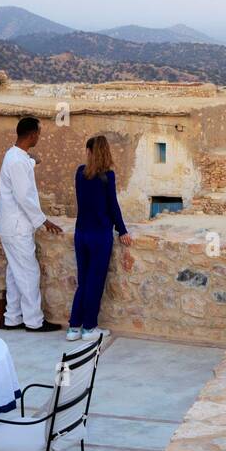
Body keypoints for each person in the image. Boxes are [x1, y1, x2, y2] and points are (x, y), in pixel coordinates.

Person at [0, 116, 64, 332]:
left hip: (9, 227)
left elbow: (24, 165)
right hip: (17, 228)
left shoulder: (15, 156)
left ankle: (12, 318)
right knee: (29, 272)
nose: (40, 137)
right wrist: (43, 220)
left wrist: (35, 161)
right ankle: (34, 321)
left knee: (15, 273)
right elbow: (24, 195)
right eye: (39, 133)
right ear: (33, 134)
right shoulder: (16, 161)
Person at [67, 135, 132, 341]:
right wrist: (122, 230)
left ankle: (73, 327)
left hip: (81, 234)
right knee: (95, 282)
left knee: (83, 281)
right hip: (99, 236)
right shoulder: (108, 177)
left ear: (90, 152)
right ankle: (89, 327)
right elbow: (113, 205)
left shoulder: (79, 173)